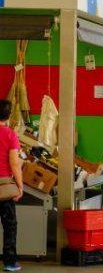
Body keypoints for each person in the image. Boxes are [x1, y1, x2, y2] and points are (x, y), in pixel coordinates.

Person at [0, 100, 23, 272]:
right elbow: (14, 163)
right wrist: (20, 186)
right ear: (9, 115)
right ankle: (9, 262)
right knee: (9, 225)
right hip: (4, 187)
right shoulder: (10, 135)